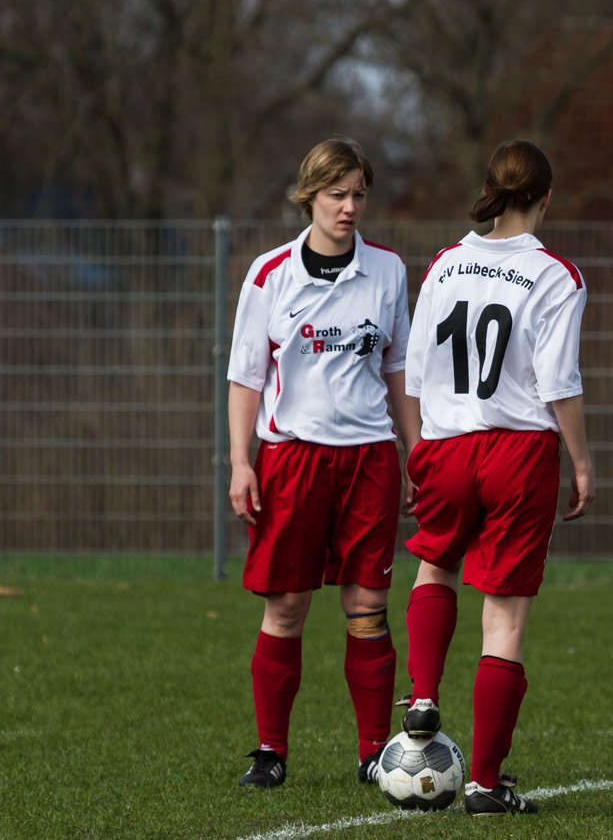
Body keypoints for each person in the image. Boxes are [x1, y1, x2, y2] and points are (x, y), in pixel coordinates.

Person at [399, 139, 594, 816]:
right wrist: (583, 458)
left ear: (490, 190)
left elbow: (417, 371)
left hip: (447, 443)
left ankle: (422, 695)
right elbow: (558, 380)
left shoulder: (447, 264)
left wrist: (421, 448)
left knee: (435, 568)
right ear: (546, 197)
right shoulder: (558, 275)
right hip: (518, 451)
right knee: (504, 617)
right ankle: (484, 783)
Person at [226, 136, 421, 788]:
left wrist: (415, 451)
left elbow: (399, 369)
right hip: (291, 459)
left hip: (369, 458)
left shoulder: (389, 271)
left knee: (368, 604)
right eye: (337, 194)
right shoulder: (268, 274)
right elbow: (246, 379)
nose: (350, 206)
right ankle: (270, 751)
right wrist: (240, 461)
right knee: (286, 606)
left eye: (359, 193)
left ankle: (373, 753)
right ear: (308, 195)